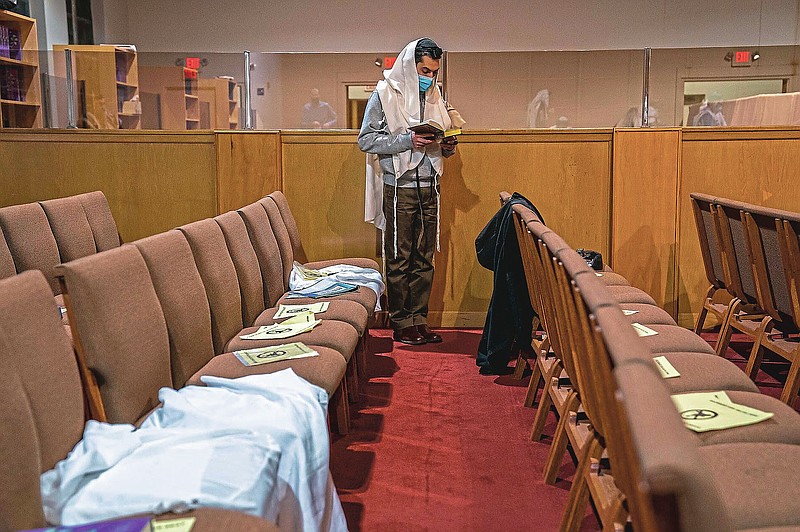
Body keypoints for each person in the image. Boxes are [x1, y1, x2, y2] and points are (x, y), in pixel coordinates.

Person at [359, 38, 457, 345]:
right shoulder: (384, 93)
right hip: (399, 185)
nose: (430, 77)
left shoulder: (435, 96)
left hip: (431, 185)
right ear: (409, 67)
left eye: (434, 71)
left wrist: (449, 145)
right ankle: (401, 322)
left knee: (424, 257)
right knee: (400, 256)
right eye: (425, 70)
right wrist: (406, 142)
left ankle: (419, 319)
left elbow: (442, 139)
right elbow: (366, 140)